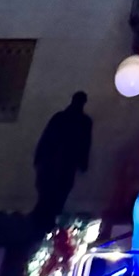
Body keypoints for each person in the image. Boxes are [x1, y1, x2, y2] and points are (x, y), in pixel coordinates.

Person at [32, 91, 92, 236]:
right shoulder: (79, 121)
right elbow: (84, 144)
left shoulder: (69, 119)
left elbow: (84, 143)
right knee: (52, 195)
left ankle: (43, 224)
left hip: (59, 163)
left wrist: (39, 157)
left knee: (52, 195)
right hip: (58, 163)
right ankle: (43, 224)